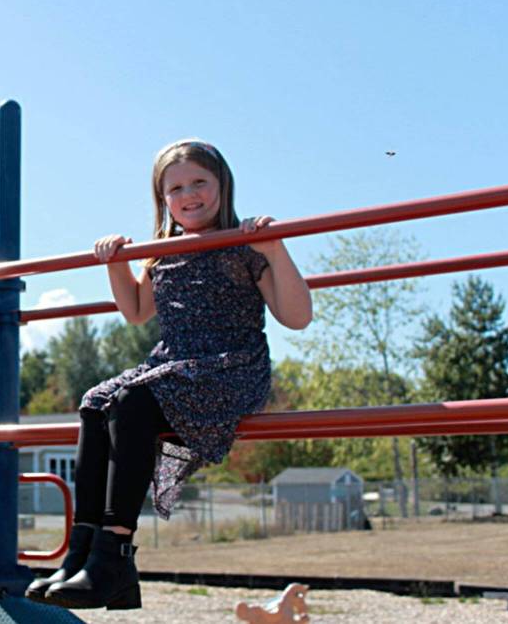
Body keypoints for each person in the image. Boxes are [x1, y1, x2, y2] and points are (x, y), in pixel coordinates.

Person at [29, 139, 312, 610]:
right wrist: (116, 263)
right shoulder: (161, 251)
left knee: (133, 401)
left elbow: (297, 316)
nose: (189, 194)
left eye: (200, 181)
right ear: (162, 199)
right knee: (97, 401)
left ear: (222, 183)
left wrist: (275, 250)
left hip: (229, 365)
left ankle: (115, 554)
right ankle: (83, 548)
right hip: (173, 362)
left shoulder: (242, 243)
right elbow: (137, 311)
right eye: (175, 188)